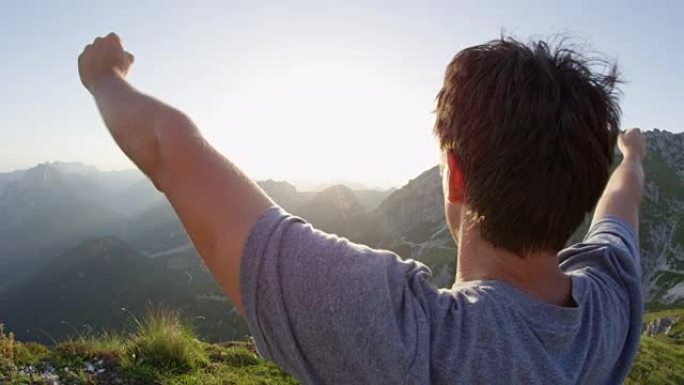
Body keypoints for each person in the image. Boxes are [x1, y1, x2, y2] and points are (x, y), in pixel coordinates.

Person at [78, 33, 645, 385]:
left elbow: (169, 154)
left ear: (455, 176)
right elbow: (623, 203)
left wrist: (104, 78)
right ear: (582, 186)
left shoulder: (411, 343)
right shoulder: (611, 300)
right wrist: (632, 155)